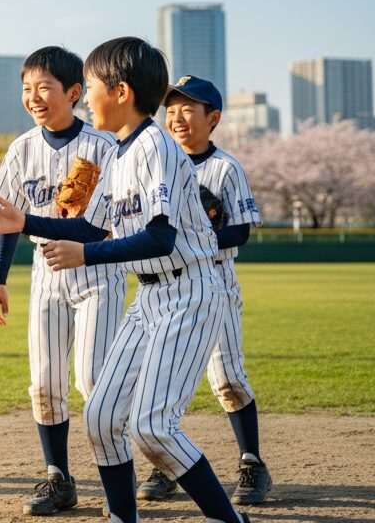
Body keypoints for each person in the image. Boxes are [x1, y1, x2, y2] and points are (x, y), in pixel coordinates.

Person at [0, 37, 254, 523]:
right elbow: (85, 225)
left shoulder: (156, 148)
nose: (89, 96)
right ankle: (124, 518)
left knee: (151, 427)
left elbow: (160, 238)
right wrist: (26, 223)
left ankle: (228, 520)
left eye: (94, 85)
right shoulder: (119, 154)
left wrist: (86, 254)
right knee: (101, 417)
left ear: (120, 91)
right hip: (150, 298)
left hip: (190, 291)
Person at [0, 46, 120, 516]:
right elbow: (7, 218)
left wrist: (23, 223)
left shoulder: (102, 146)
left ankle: (117, 483)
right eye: (27, 88)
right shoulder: (22, 148)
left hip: (97, 274)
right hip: (45, 276)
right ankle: (57, 479)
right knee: (44, 385)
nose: (34, 97)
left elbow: (94, 229)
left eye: (44, 87)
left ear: (75, 92)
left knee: (92, 381)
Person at [133, 75, 270, 505]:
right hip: (164, 289)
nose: (177, 117)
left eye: (188, 109)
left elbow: (241, 232)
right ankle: (166, 465)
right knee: (160, 382)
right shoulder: (154, 161)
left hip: (215, 284)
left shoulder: (225, 168)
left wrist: (193, 242)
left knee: (227, 379)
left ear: (212, 119)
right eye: (170, 109)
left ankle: (251, 462)